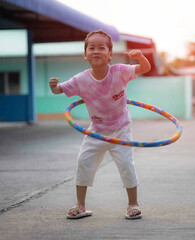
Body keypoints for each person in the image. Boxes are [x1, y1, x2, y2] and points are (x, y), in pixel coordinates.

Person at [49, 30, 151, 219]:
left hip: (121, 129)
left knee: (126, 165)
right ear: (85, 54)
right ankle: (80, 205)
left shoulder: (120, 71)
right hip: (96, 131)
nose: (96, 51)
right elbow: (59, 90)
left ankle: (133, 204)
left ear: (110, 54)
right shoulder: (81, 79)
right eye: (91, 48)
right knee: (83, 162)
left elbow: (144, 68)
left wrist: (140, 57)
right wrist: (54, 86)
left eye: (101, 48)